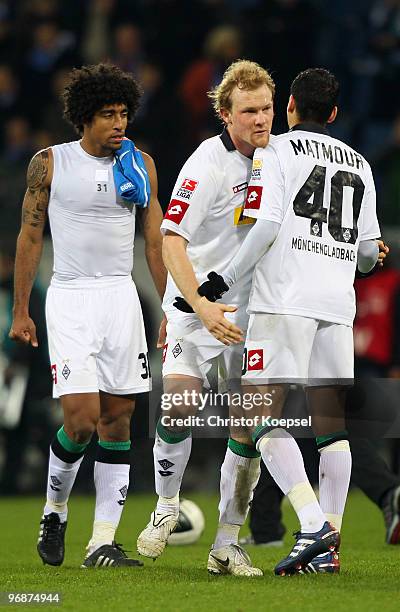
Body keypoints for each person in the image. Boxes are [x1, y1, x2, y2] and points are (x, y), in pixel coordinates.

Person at [197, 68, 386, 574]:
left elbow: (266, 227)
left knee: (256, 415)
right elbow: (368, 253)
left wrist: (222, 278)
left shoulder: (275, 152)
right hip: (336, 306)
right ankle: (330, 548)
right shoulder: (362, 164)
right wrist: (367, 257)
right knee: (331, 428)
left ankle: (311, 526)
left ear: (290, 107)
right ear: (335, 113)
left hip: (284, 302)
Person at [9, 63, 166, 568]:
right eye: (106, 114)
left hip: (122, 298)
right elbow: (30, 236)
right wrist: (20, 309)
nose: (118, 123)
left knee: (118, 421)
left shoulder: (140, 163)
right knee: (79, 422)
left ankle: (102, 542)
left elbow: (156, 239)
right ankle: (54, 510)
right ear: (83, 117)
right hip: (71, 297)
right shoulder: (50, 163)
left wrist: (171, 308)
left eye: (123, 113)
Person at [136, 59, 275, 577]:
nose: (261, 120)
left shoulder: (279, 159)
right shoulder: (205, 165)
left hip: (251, 311)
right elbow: (173, 242)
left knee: (250, 426)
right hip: (197, 307)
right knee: (178, 407)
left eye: (266, 109)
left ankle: (226, 542)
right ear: (225, 113)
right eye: (249, 111)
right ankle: (167, 507)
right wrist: (199, 305)